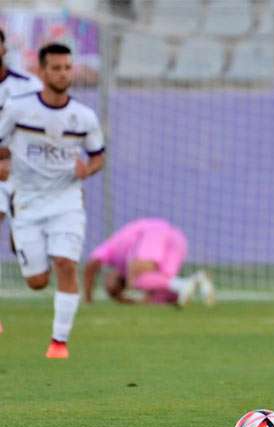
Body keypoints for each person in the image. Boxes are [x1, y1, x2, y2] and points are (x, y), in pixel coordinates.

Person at [0, 43, 104, 359]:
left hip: (67, 201)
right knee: (36, 281)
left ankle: (59, 342)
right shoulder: (18, 108)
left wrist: (87, 170)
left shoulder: (83, 117)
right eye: (56, 68)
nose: (62, 73)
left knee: (66, 264)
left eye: (67, 67)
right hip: (28, 201)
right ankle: (20, 238)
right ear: (43, 72)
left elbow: (99, 156)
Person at [83, 218, 215, 306]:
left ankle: (183, 284)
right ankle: (197, 280)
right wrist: (134, 299)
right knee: (164, 290)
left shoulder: (110, 248)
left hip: (153, 234)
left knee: (138, 279)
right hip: (176, 238)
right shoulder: (124, 259)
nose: (111, 289)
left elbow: (90, 266)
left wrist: (88, 300)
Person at [0, 28, 42, 237]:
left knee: (27, 243)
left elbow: (42, 131)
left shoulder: (28, 85)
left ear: (4, 48)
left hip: (25, 166)